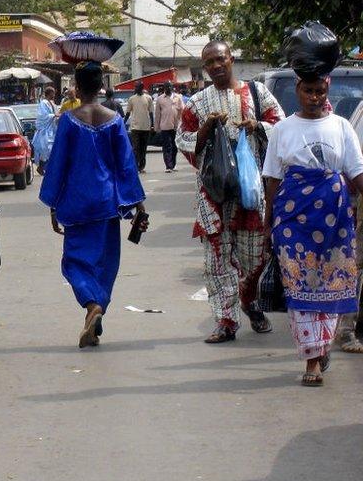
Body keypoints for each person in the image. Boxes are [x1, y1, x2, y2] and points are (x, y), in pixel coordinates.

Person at [176, 40, 283, 343]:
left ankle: (250, 302)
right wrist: (206, 130)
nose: (216, 66)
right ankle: (226, 320)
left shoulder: (257, 93)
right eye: (209, 62)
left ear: (231, 59)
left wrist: (257, 126)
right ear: (204, 66)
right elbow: (184, 141)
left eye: (220, 59)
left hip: (251, 193)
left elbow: (282, 126)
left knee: (255, 259)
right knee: (216, 261)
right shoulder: (197, 103)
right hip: (214, 196)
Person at [263, 75, 363, 385]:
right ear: (298, 91)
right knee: (298, 284)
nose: (315, 97)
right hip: (293, 219)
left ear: (327, 90)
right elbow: (272, 179)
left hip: (334, 217)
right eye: (308, 91)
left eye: (320, 91)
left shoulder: (342, 127)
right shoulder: (282, 130)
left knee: (332, 283)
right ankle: (312, 361)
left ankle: (321, 345)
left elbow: (356, 172)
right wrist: (270, 222)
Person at [40, 60, 147, 348]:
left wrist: (52, 203)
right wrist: (139, 205)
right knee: (106, 262)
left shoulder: (69, 120)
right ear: (102, 86)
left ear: (76, 85)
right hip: (107, 202)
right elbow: (126, 165)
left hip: (76, 202)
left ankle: (91, 305)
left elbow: (58, 163)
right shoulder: (113, 119)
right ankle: (97, 305)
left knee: (74, 261)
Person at [154, 81, 184, 173]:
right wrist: (156, 127)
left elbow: (182, 110)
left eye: (170, 86)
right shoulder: (160, 99)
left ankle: (173, 165)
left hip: (176, 126)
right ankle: (168, 166)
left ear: (172, 87)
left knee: (174, 146)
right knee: (167, 146)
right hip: (165, 126)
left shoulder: (178, 97)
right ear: (164, 88)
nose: (168, 88)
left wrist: (182, 124)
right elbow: (157, 114)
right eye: (167, 86)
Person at [125, 82, 154, 172]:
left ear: (141, 87)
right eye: (135, 87)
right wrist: (123, 123)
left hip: (145, 127)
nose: (135, 88)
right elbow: (128, 113)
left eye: (137, 87)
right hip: (135, 128)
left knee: (143, 148)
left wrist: (152, 125)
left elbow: (151, 113)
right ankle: (135, 166)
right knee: (135, 147)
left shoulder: (148, 98)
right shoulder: (131, 99)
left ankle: (141, 166)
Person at [32, 86, 59, 172]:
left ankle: (48, 168)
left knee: (52, 150)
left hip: (52, 130)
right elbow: (42, 116)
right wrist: (54, 116)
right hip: (45, 131)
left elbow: (56, 113)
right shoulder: (43, 103)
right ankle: (41, 167)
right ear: (49, 93)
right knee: (45, 149)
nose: (54, 95)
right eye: (53, 93)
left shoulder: (52, 103)